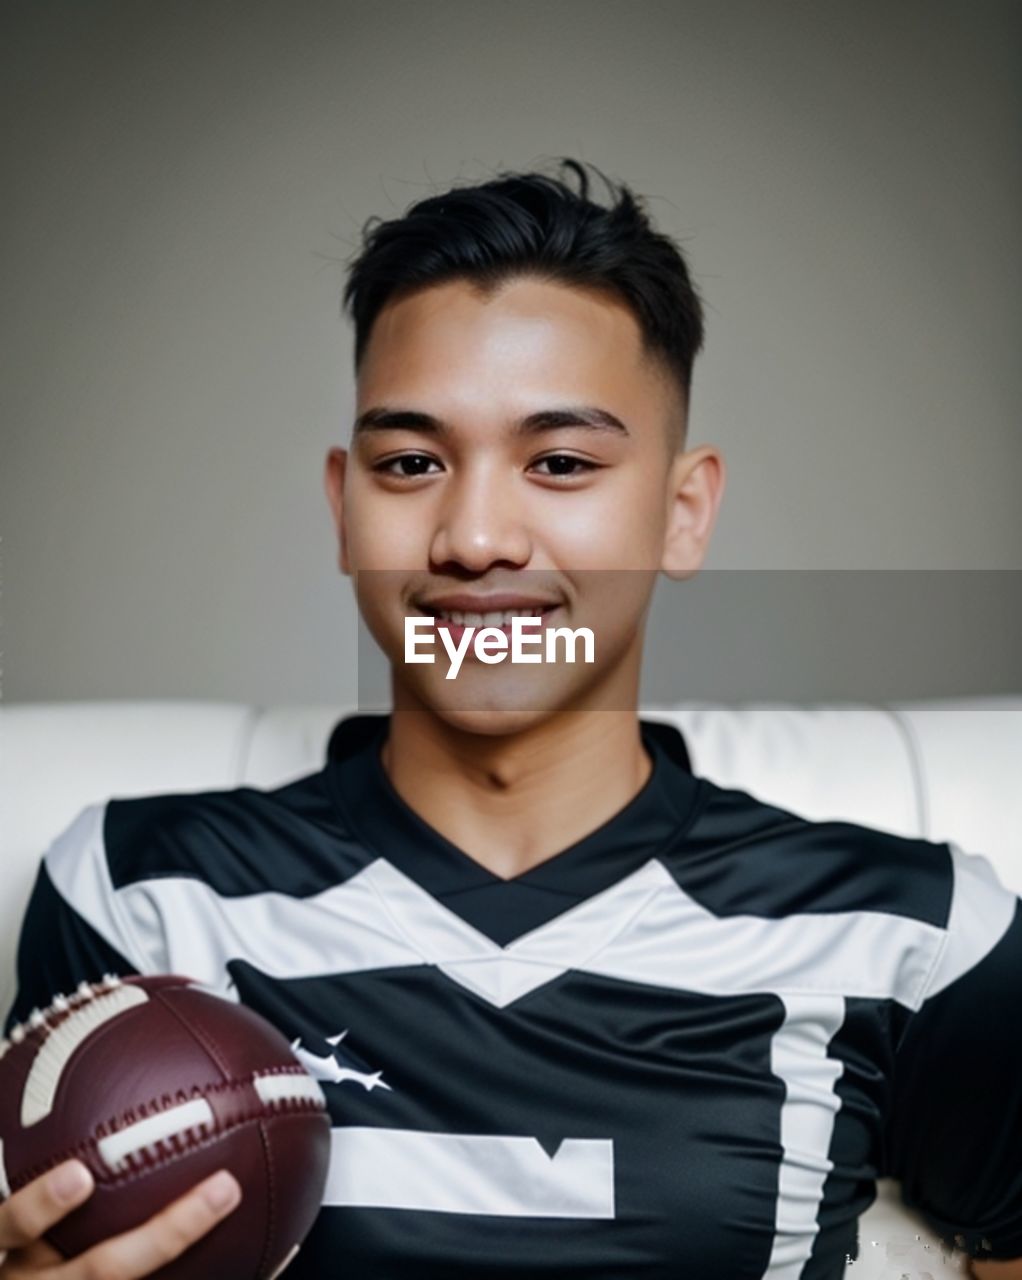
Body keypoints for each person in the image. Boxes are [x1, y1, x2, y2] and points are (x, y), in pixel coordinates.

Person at [2, 158, 1020, 1280]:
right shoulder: (138, 894)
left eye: (560, 461)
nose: (475, 535)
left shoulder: (921, 936)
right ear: (344, 507)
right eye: (411, 462)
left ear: (683, 513)